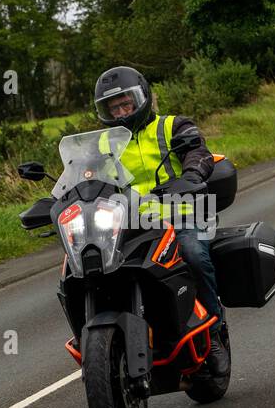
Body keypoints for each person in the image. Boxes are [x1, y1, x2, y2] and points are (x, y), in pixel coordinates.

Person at [93, 64, 230, 378]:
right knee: (91, 269)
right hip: (128, 225)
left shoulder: (172, 126)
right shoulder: (102, 144)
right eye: (113, 108)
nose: (121, 112)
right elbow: (85, 178)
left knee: (193, 254)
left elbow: (198, 152)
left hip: (179, 214)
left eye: (126, 103)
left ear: (141, 98)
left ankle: (213, 331)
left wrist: (192, 174)